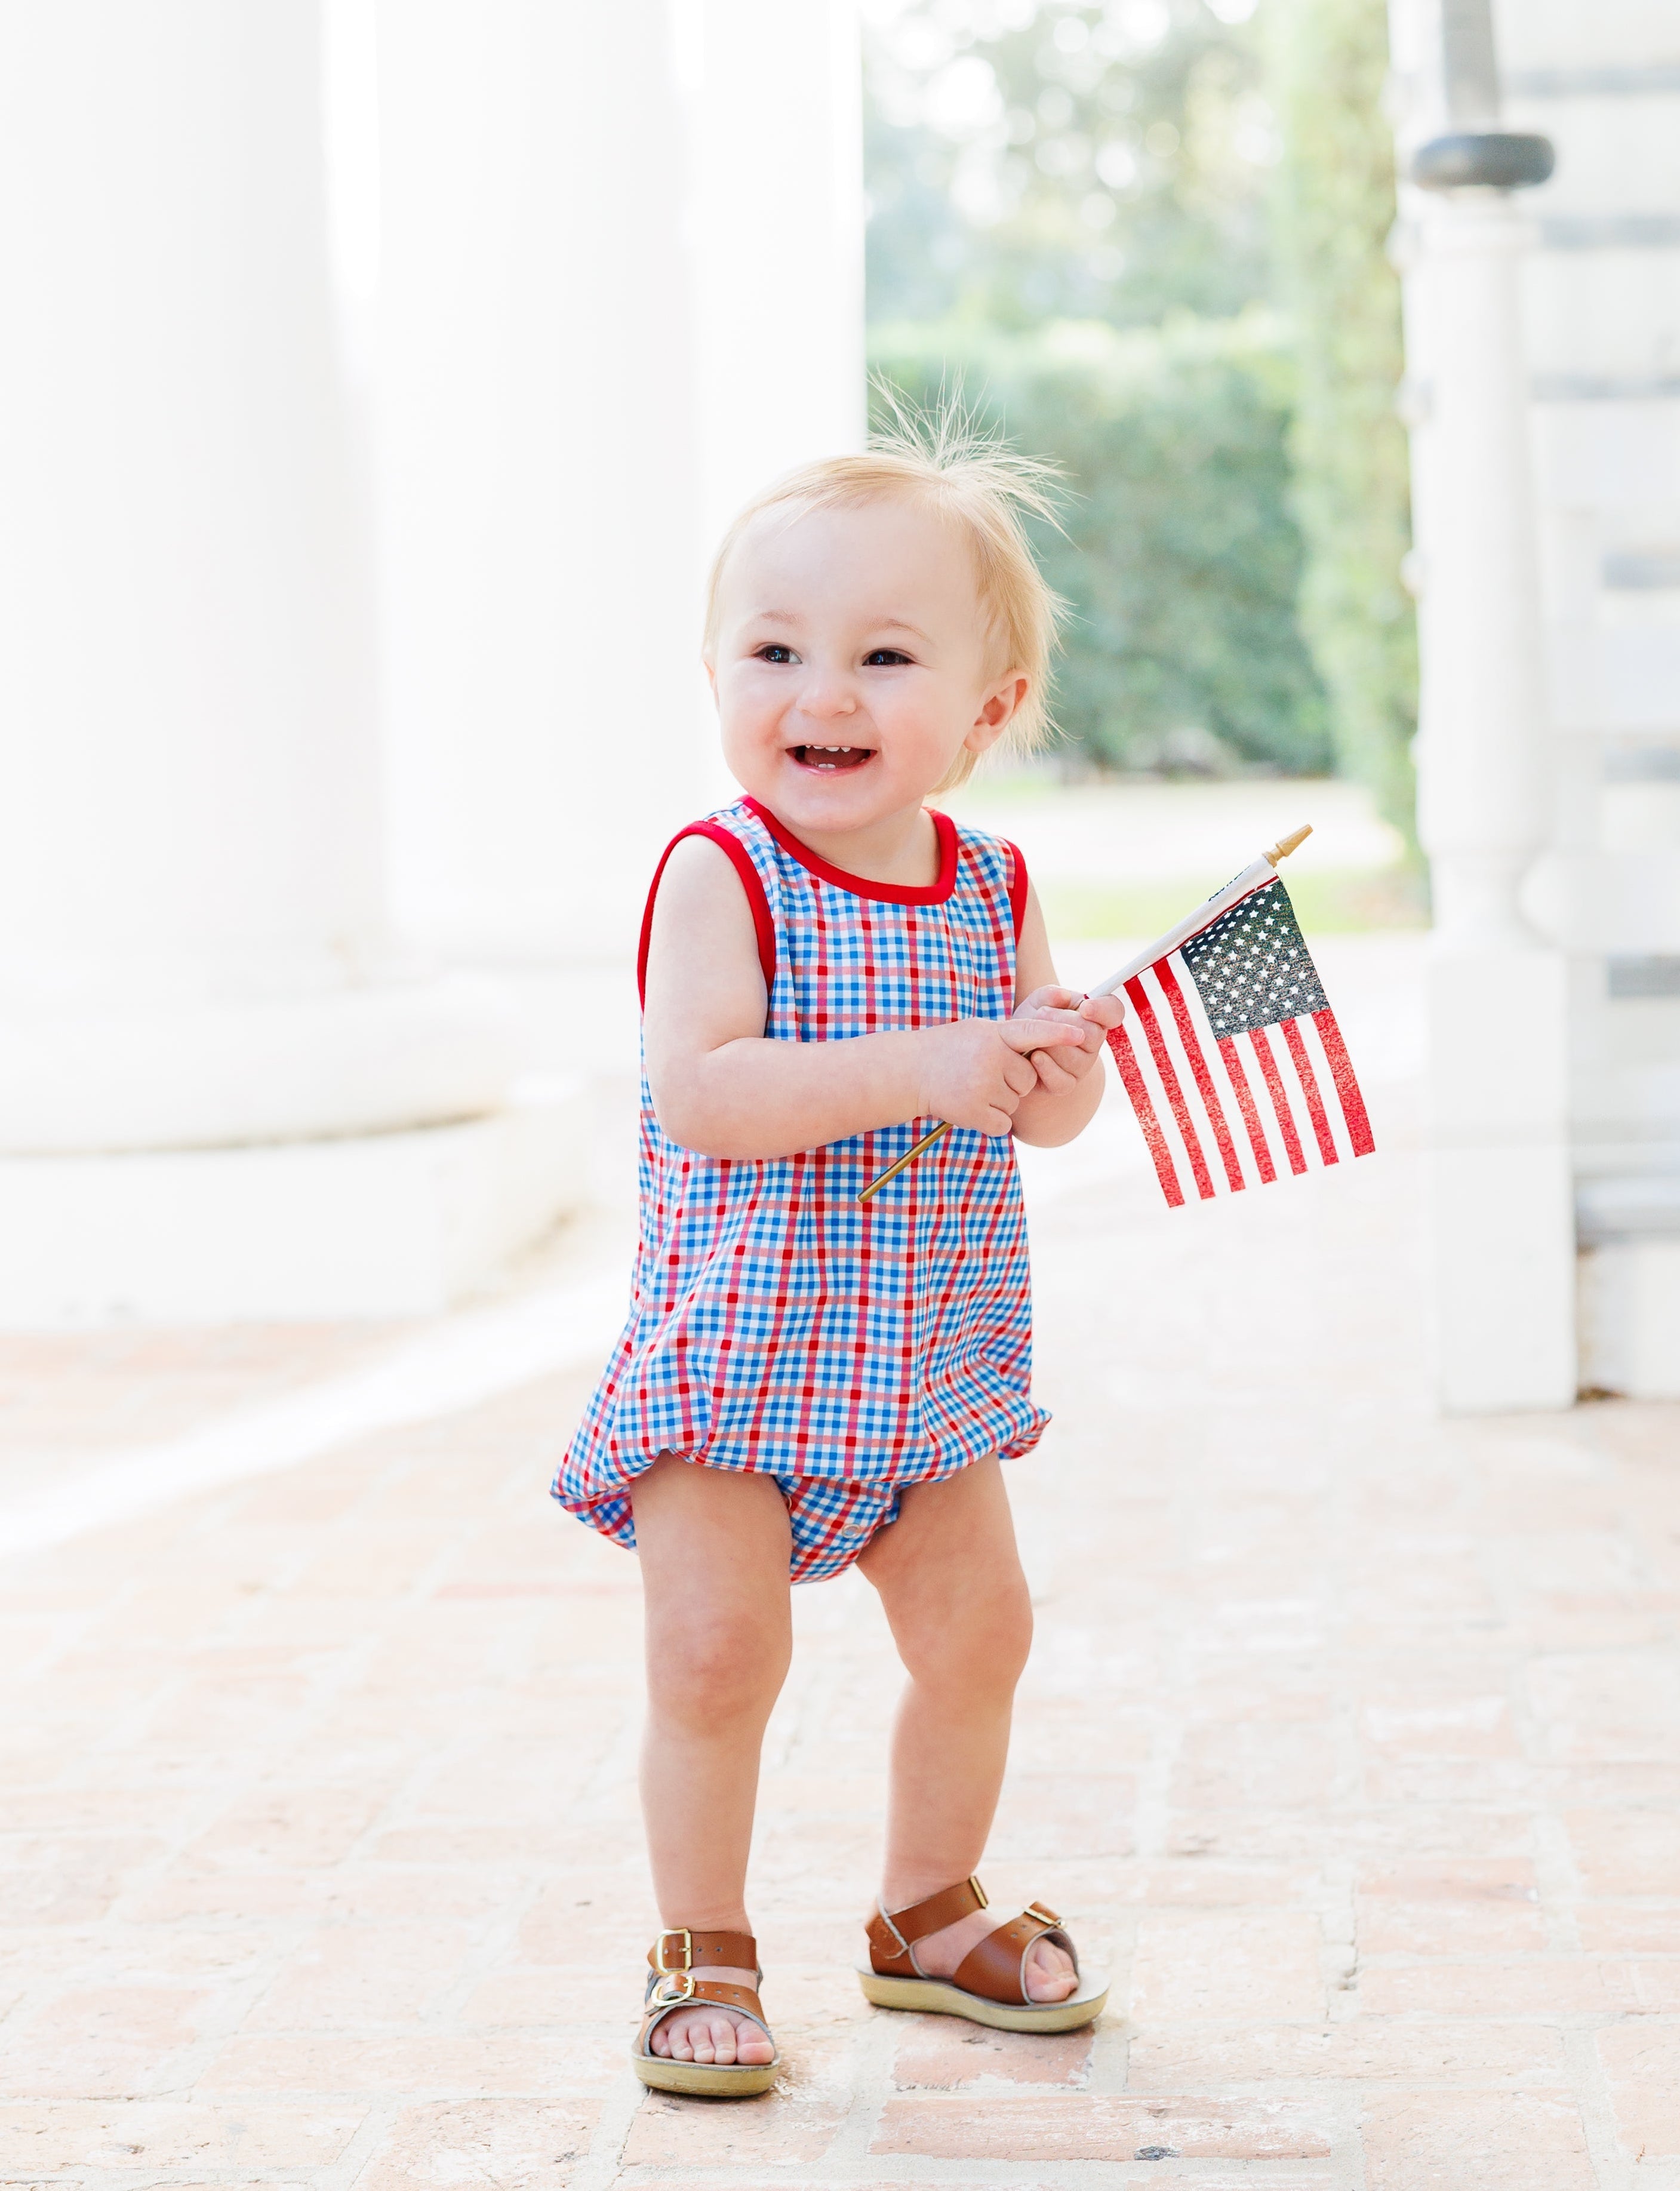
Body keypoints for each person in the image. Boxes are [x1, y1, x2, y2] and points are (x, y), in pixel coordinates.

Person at [553, 414, 1124, 2098]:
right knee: (716, 1659)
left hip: (923, 1363)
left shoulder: (990, 883)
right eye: (777, 650)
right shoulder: (722, 874)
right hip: (739, 1359)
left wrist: (1054, 1070)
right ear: (718, 674)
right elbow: (706, 1097)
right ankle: (701, 1945)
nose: (824, 694)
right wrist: (927, 1066)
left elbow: (1035, 1122)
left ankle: (924, 1912)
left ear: (989, 712)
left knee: (982, 1636)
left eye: (885, 656)